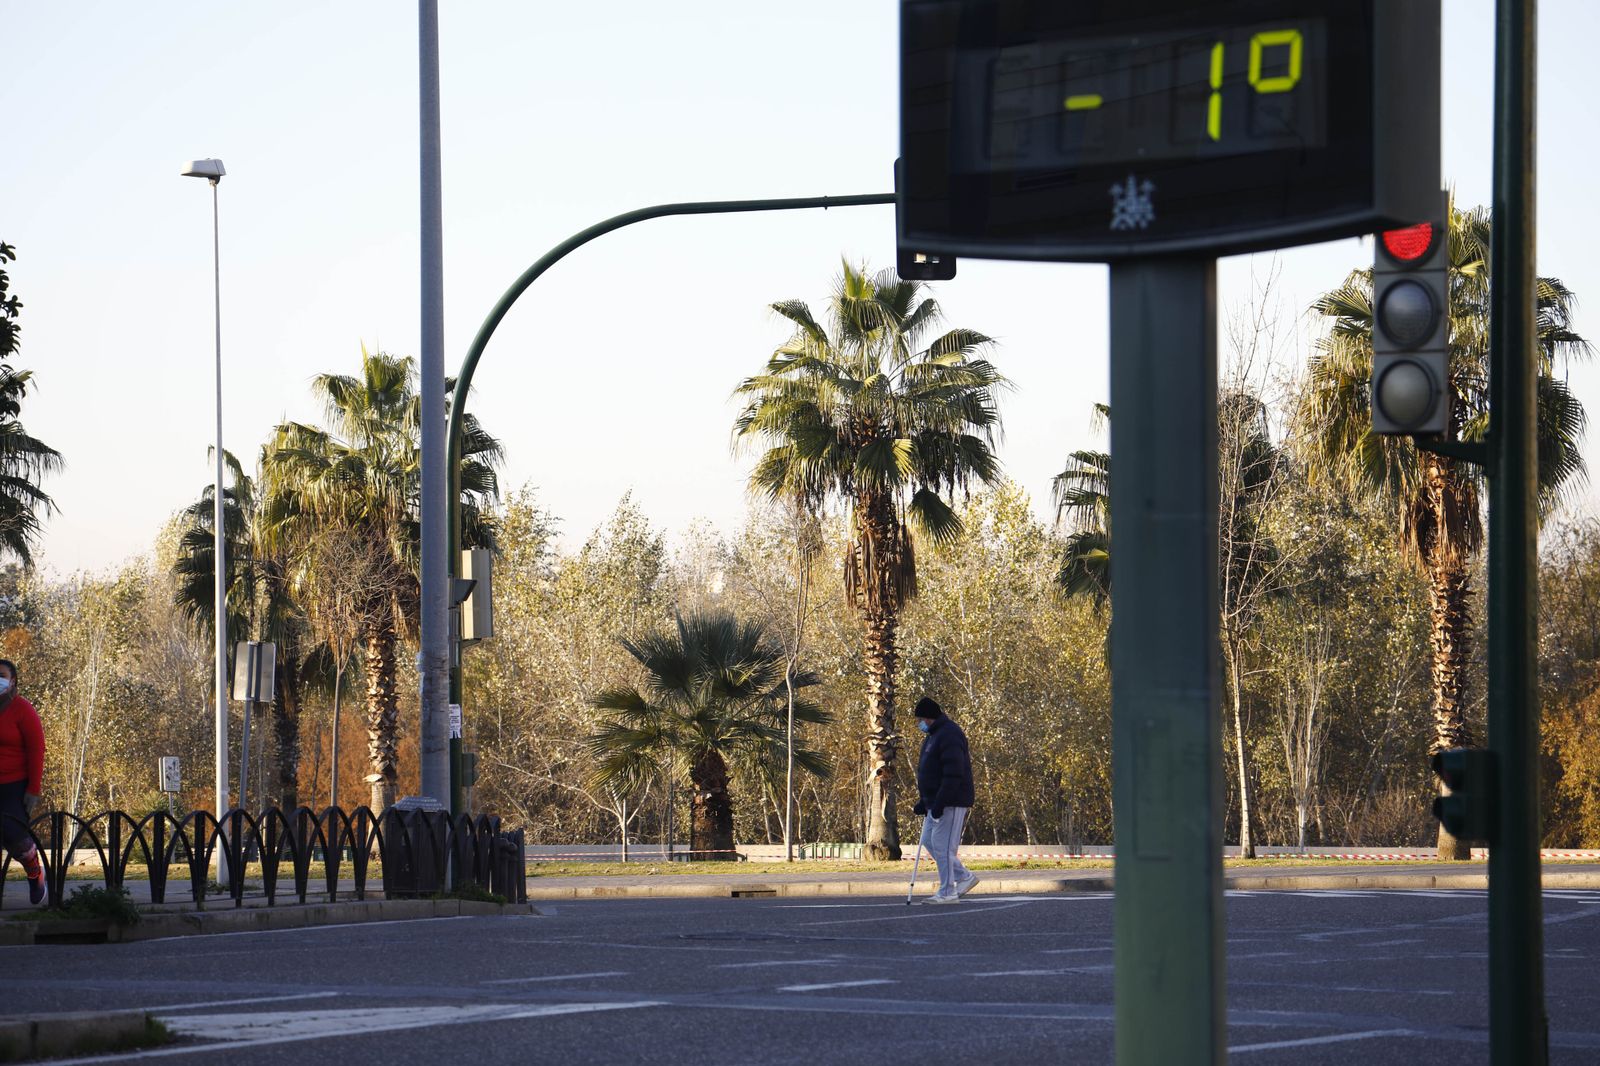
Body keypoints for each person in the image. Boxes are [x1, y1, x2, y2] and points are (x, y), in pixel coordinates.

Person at [910, 696, 978, 904]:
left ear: (929, 717)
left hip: (951, 801)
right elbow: (929, 772)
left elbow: (953, 772)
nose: (919, 723)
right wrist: (925, 801)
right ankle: (964, 877)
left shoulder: (949, 734)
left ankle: (947, 891)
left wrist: (940, 802)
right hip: (935, 802)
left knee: (943, 846)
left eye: (921, 718)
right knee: (930, 841)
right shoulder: (933, 736)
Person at [0, 659, 45, 905]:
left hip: (14, 784)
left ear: (13, 680)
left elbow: (37, 749)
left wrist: (33, 789)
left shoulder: (22, 709)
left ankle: (35, 872)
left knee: (15, 835)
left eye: (1, 675)